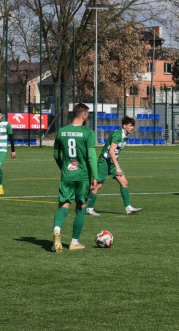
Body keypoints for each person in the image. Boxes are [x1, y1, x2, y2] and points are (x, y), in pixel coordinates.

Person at [52, 104, 97, 252]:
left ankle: (57, 228)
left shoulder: (62, 131)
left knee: (64, 206)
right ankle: (74, 242)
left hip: (67, 175)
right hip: (82, 176)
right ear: (84, 115)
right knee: (80, 208)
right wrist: (95, 176)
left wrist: (63, 167)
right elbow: (91, 156)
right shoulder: (88, 133)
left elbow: (55, 154)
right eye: (87, 115)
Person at [87, 116, 142, 215]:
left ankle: (128, 208)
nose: (132, 127)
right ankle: (89, 208)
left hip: (112, 163)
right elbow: (111, 151)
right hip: (104, 162)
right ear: (124, 126)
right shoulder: (118, 135)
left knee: (124, 182)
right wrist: (117, 166)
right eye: (130, 125)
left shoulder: (125, 136)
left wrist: (115, 164)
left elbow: (116, 152)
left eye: (133, 125)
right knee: (98, 185)